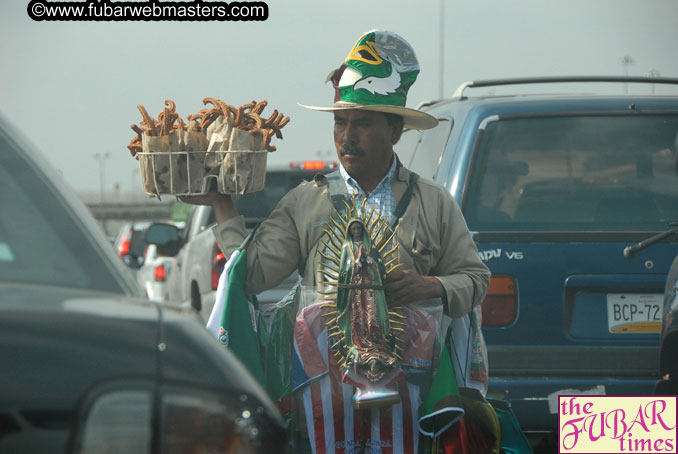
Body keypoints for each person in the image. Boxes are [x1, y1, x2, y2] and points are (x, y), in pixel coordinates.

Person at [184, 29, 491, 453]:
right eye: (340, 122)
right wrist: (221, 205)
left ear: (396, 129)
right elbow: (251, 276)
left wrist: (433, 287)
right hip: (323, 399)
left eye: (362, 123)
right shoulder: (305, 202)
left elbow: (476, 278)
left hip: (412, 398)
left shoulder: (433, 203)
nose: (347, 136)